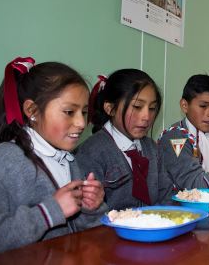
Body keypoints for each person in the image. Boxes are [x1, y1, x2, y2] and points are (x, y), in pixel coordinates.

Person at [0, 58, 106, 256]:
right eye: (69, 112)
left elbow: (83, 233)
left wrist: (91, 208)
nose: (80, 123)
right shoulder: (6, 159)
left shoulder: (69, 160)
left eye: (84, 112)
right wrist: (48, 212)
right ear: (32, 111)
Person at [75, 69, 175, 210]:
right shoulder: (91, 152)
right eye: (137, 107)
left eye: (152, 108)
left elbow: (166, 196)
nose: (146, 116)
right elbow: (88, 213)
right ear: (110, 108)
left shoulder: (152, 148)